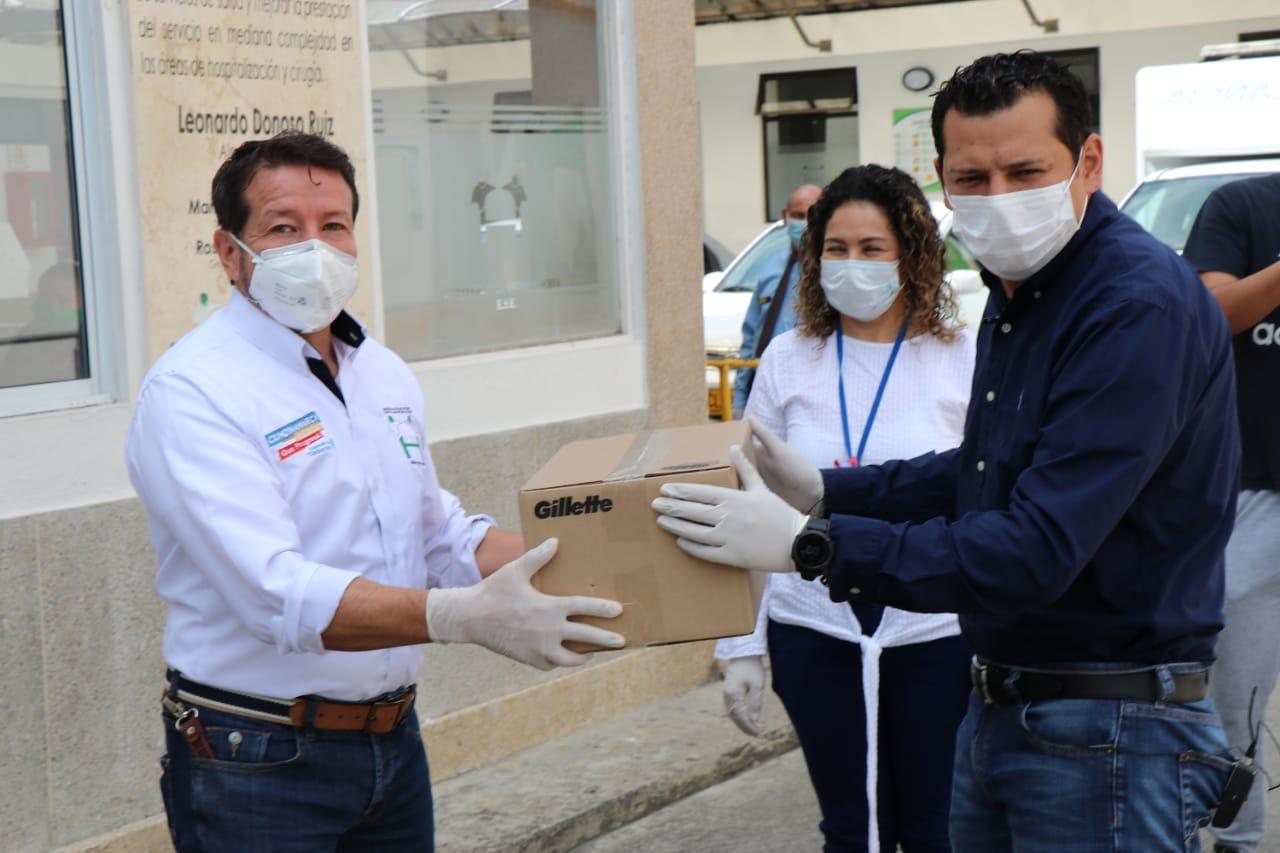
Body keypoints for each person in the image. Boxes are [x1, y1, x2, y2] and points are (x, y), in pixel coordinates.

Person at [652, 52, 1243, 851]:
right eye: (972, 178)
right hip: (1013, 703)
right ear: (942, 179)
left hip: (1108, 724)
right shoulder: (1021, 289)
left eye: (1024, 172)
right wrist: (829, 489)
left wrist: (814, 544)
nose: (998, 198)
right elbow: (983, 471)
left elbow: (1035, 546)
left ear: (1089, 162)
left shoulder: (1131, 306)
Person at [125, 133, 625, 851]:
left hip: (392, 745)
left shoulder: (380, 372)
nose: (315, 248)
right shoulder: (193, 390)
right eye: (283, 228)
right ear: (230, 253)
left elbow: (438, 534)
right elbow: (275, 592)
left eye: (333, 224)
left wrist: (602, 556)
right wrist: (460, 616)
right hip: (254, 756)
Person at [715, 164, 975, 853]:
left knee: (934, 829)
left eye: (871, 248)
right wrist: (740, 647)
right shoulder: (787, 359)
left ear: (911, 256)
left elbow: (981, 498)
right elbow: (751, 502)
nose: (851, 263)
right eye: (836, 247)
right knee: (851, 830)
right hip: (813, 630)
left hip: (934, 634)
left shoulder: (962, 357)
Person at [1183, 172, 1280, 853]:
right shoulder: (1243, 206)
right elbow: (1211, 313)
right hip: (1254, 487)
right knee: (1229, 688)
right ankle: (1235, 838)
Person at [731, 183, 822, 418]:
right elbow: (751, 336)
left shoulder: (831, 273)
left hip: (807, 391)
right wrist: (740, 397)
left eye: (811, 215)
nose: (804, 223)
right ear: (785, 216)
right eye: (798, 216)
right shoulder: (771, 267)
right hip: (763, 387)